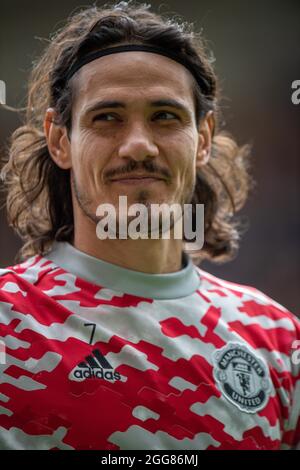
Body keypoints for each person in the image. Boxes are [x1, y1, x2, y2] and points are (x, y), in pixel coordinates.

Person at [0, 0, 299, 450]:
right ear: (60, 140)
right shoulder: (7, 322)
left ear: (202, 138)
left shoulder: (277, 340)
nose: (138, 145)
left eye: (164, 116)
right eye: (107, 118)